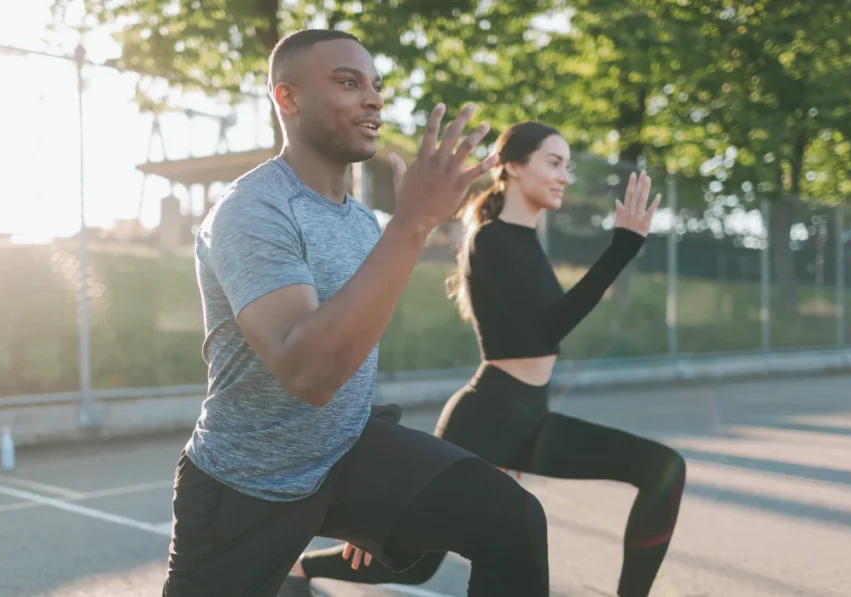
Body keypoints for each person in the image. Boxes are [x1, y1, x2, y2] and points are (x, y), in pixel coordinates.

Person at [161, 29, 554, 597]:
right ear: (287, 99)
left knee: (511, 518)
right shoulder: (251, 213)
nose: (374, 98)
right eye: (348, 83)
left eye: (376, 85)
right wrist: (412, 224)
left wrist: (380, 493)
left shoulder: (362, 221)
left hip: (345, 453)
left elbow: (353, 344)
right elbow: (308, 374)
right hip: (248, 482)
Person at [291, 122, 688, 597]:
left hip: (530, 417)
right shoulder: (492, 240)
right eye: (554, 162)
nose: (565, 176)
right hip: (487, 417)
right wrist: (621, 247)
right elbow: (546, 330)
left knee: (662, 468)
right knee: (414, 563)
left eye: (568, 166)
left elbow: (546, 328)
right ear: (513, 167)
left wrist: (622, 248)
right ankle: (299, 571)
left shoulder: (527, 241)